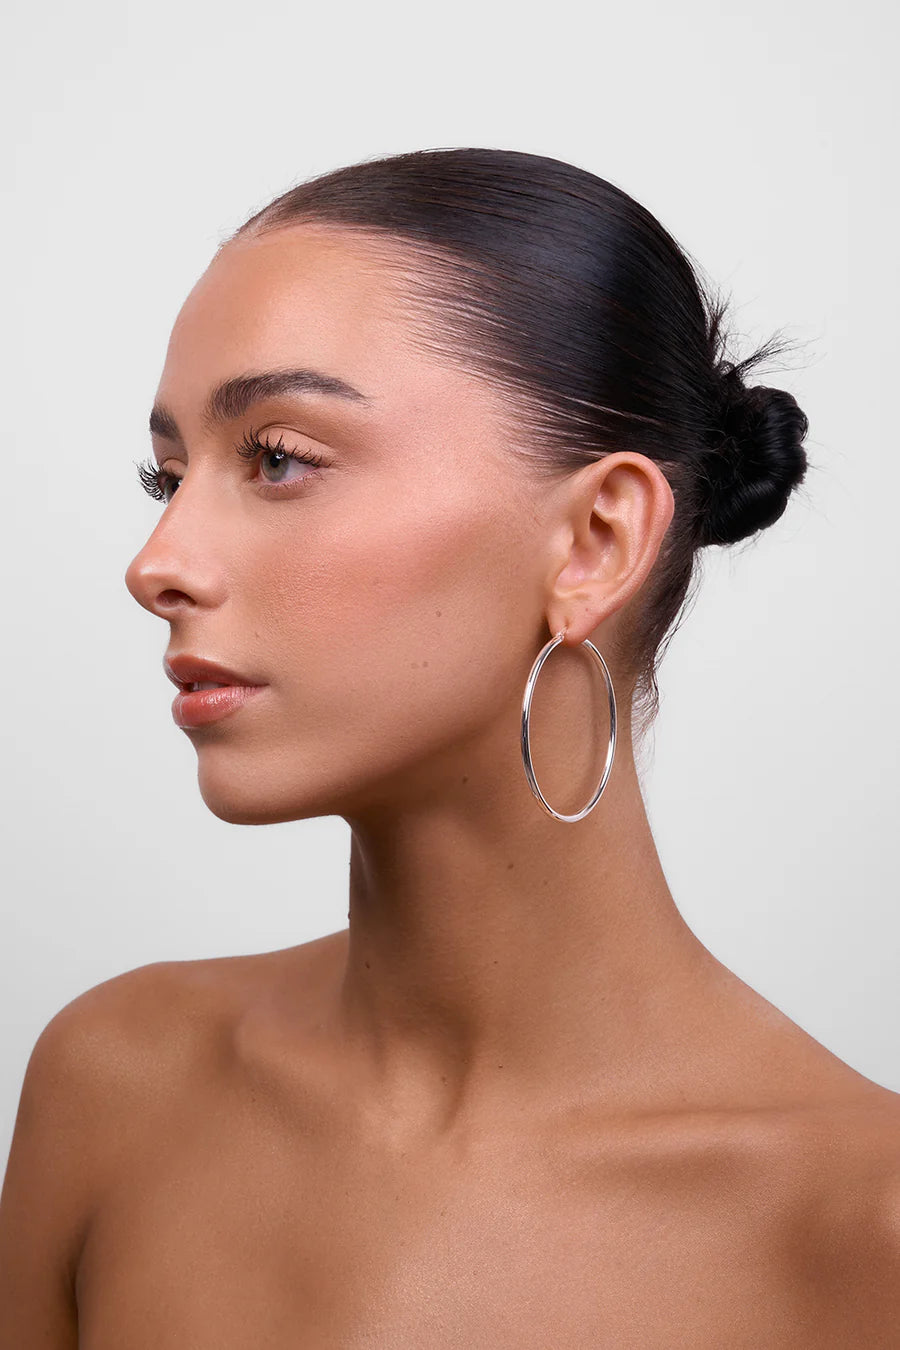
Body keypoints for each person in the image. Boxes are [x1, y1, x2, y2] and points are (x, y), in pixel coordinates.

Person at [1, 147, 897, 1347]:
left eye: (278, 458)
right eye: (166, 478)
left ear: (594, 540)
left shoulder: (857, 1232)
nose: (156, 565)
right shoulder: (116, 1084)